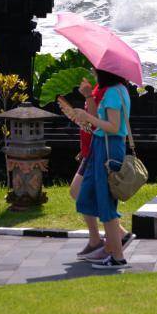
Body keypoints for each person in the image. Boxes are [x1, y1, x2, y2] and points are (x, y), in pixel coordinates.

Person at [59, 69, 132, 270]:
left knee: (106, 202)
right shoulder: (114, 90)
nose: (93, 71)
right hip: (100, 146)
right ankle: (108, 247)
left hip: (109, 147)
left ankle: (117, 256)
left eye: (96, 69)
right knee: (88, 196)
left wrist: (87, 117)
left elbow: (114, 127)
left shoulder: (113, 93)